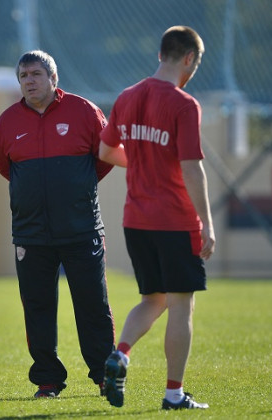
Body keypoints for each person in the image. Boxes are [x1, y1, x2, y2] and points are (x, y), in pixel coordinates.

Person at [98, 26, 214, 410]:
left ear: (160, 54)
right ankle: (173, 394)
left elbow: (105, 149)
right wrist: (207, 224)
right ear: (188, 59)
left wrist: (143, 162)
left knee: (153, 298)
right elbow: (192, 168)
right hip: (174, 220)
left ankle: (121, 355)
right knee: (182, 305)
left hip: (136, 218)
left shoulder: (128, 96)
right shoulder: (184, 104)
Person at [0, 50, 116, 399]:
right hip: (31, 233)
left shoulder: (85, 112)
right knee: (38, 308)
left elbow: (103, 159)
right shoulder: (6, 122)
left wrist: (76, 191)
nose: (29, 81)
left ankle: (105, 376)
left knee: (93, 305)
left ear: (53, 78)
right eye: (23, 76)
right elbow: (6, 166)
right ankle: (47, 380)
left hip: (82, 229)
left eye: (35, 74)